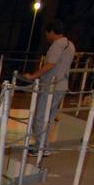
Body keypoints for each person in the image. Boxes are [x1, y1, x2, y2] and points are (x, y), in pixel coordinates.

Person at [23, 20, 76, 154]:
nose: (47, 36)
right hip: (62, 85)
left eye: (47, 33)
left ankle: (40, 148)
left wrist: (33, 76)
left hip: (51, 86)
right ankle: (44, 146)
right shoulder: (70, 45)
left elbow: (50, 64)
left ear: (51, 32)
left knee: (40, 116)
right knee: (49, 117)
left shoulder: (57, 45)